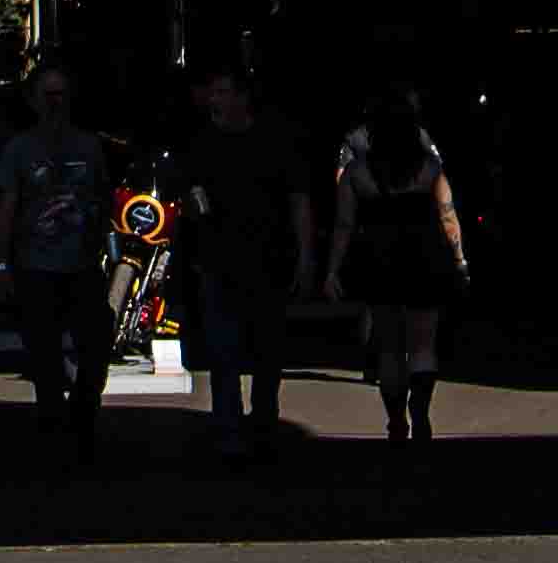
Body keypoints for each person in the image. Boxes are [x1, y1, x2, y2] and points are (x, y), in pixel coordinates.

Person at [179, 66, 317, 461]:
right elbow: (190, 193)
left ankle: (263, 421)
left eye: (223, 92)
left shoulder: (275, 141)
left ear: (242, 97)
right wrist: (195, 219)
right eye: (213, 93)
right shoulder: (203, 144)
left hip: (268, 261)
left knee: (267, 353)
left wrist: (305, 256)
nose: (215, 100)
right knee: (223, 352)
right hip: (218, 261)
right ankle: (229, 430)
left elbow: (298, 201)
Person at [329, 88, 469, 443]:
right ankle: (420, 412)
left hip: (380, 259)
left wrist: (333, 269)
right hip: (425, 257)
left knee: (390, 347)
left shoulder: (357, 173)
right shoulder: (430, 169)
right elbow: (447, 216)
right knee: (424, 344)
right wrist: (459, 259)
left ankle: (395, 420)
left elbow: (344, 224)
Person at [0, 60, 116, 458]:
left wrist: (104, 248)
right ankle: (51, 431)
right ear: (33, 100)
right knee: (43, 358)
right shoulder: (19, 149)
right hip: (35, 268)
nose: (55, 102)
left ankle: (84, 410)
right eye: (47, 95)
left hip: (82, 267)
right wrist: (2, 264)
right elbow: (6, 209)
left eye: (61, 94)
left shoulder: (90, 146)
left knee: (96, 345)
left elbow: (103, 200)